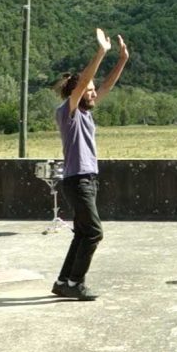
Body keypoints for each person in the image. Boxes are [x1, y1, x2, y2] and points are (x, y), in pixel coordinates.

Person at [51, 28, 129, 300]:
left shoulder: (84, 113)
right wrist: (101, 52)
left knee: (82, 233)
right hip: (78, 180)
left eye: (94, 91)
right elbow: (86, 82)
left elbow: (105, 85)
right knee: (94, 233)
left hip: (87, 180)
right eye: (89, 91)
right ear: (78, 92)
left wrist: (122, 60)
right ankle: (75, 283)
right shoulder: (68, 113)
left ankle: (63, 282)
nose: (94, 94)